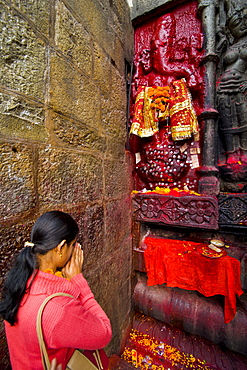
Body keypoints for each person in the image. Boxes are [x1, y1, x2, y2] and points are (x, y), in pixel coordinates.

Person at [0, 210, 112, 370]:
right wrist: (78, 281)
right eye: (73, 245)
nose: (75, 250)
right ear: (60, 248)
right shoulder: (57, 308)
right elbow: (104, 333)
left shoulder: (19, 281)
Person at [217, 8, 247, 164]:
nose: (242, 25)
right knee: (227, 121)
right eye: (237, 24)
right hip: (224, 88)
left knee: (244, 119)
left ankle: (245, 152)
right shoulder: (227, 45)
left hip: (242, 86)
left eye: (243, 21)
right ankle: (231, 153)